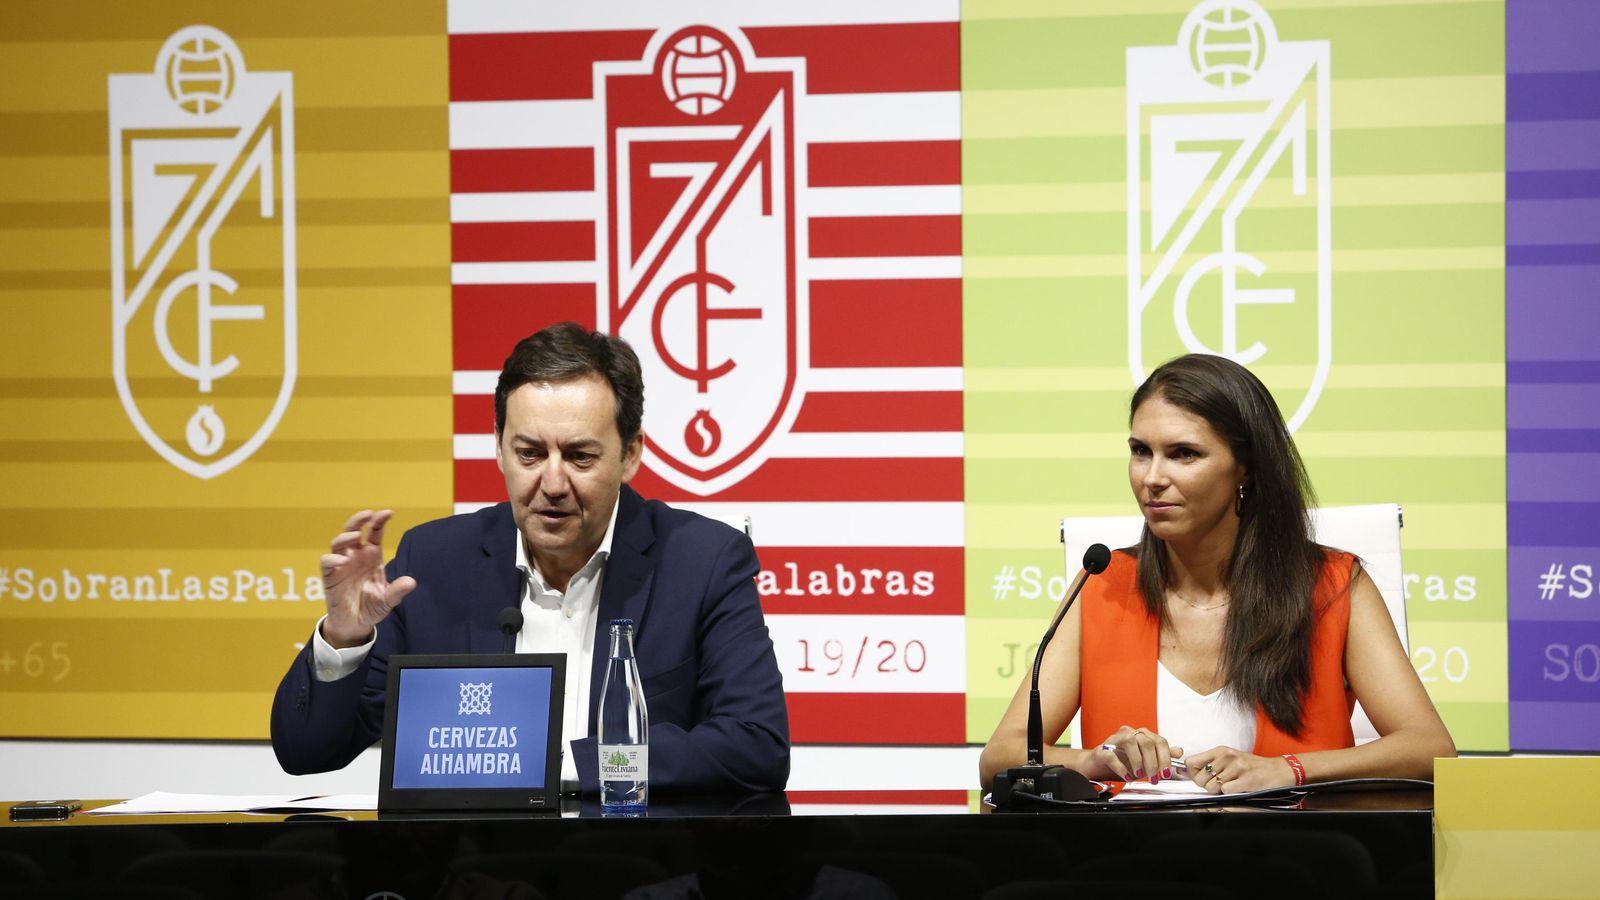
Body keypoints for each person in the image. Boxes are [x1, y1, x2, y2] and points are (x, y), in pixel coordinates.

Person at [271, 322, 790, 794]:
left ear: (630, 454)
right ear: (498, 448)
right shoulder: (433, 561)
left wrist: (575, 767)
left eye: (580, 456)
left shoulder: (702, 562)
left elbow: (756, 744)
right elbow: (307, 754)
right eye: (530, 454)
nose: (554, 484)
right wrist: (345, 639)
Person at [979, 354, 1455, 793]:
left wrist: (1288, 769)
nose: (1152, 477)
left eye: (1184, 454)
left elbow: (1429, 749)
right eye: (1141, 450)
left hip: (1295, 857)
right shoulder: (1102, 585)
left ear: (1244, 467)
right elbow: (999, 756)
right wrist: (1092, 760)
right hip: (1132, 859)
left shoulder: (1333, 586)